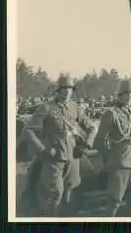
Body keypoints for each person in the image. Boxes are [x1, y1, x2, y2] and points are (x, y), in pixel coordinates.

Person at [31, 75, 96, 216]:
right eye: (64, 89)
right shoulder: (47, 108)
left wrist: (86, 144)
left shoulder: (75, 107)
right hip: (54, 157)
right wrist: (42, 150)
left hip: (73, 156)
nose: (67, 92)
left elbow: (91, 127)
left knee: (71, 191)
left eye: (70, 88)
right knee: (54, 193)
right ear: (58, 90)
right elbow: (28, 131)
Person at [93, 79, 131, 217]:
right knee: (115, 200)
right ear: (119, 95)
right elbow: (99, 141)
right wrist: (110, 158)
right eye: (126, 94)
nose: (129, 97)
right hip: (119, 163)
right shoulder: (111, 113)